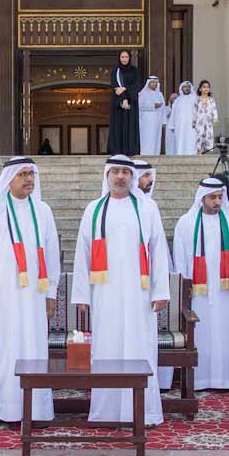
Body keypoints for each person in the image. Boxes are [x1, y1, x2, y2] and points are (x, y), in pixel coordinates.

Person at [73, 156, 170, 426]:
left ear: (133, 176)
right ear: (107, 175)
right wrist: (82, 294)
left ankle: (143, 412)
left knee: (140, 349)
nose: (120, 177)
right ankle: (107, 412)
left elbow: (158, 251)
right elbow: (84, 253)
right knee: (107, 350)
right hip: (105, 294)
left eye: (126, 172)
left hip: (140, 295)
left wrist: (161, 290)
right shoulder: (94, 209)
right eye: (115, 171)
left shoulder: (148, 208)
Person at [0, 157, 60, 425]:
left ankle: (38, 410)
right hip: (2, 293)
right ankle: (5, 408)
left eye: (31, 174)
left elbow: (53, 253)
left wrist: (51, 292)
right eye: (23, 174)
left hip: (36, 293)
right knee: (4, 348)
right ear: (9, 178)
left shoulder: (42, 210)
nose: (29, 180)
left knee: (35, 348)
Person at [174, 177, 229, 390]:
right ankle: (200, 379)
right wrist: (184, 284)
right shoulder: (186, 223)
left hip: (227, 290)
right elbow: (179, 256)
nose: (217, 202)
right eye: (212, 197)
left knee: (227, 332)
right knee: (202, 333)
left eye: (219, 197)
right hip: (198, 291)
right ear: (202, 198)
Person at [107, 50, 143, 156]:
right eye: (122, 57)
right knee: (118, 125)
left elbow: (137, 85)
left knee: (130, 126)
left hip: (131, 103)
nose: (124, 59)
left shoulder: (135, 70)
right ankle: (117, 150)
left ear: (129, 58)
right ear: (119, 58)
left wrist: (126, 90)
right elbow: (116, 87)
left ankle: (130, 150)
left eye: (126, 57)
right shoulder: (115, 71)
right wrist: (123, 99)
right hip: (118, 103)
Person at [137, 76, 168, 156]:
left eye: (156, 82)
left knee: (156, 139)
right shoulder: (142, 94)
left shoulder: (160, 94)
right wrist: (153, 106)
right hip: (146, 121)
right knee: (147, 139)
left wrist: (164, 122)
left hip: (158, 121)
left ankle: (156, 154)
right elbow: (140, 106)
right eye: (153, 82)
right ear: (148, 83)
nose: (155, 84)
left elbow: (163, 108)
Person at [166, 81, 196, 155]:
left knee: (191, 140)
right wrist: (172, 126)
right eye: (185, 87)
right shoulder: (178, 100)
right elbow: (173, 113)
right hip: (180, 126)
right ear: (181, 88)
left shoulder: (195, 99)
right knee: (180, 141)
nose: (186, 89)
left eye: (188, 87)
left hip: (192, 126)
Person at [192, 80, 220, 153]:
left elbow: (214, 110)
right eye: (204, 87)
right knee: (199, 137)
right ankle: (199, 153)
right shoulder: (197, 99)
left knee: (208, 137)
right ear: (200, 89)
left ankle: (206, 154)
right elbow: (194, 112)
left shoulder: (211, 100)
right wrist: (193, 123)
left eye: (207, 87)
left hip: (208, 122)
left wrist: (215, 119)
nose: (206, 89)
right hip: (199, 122)